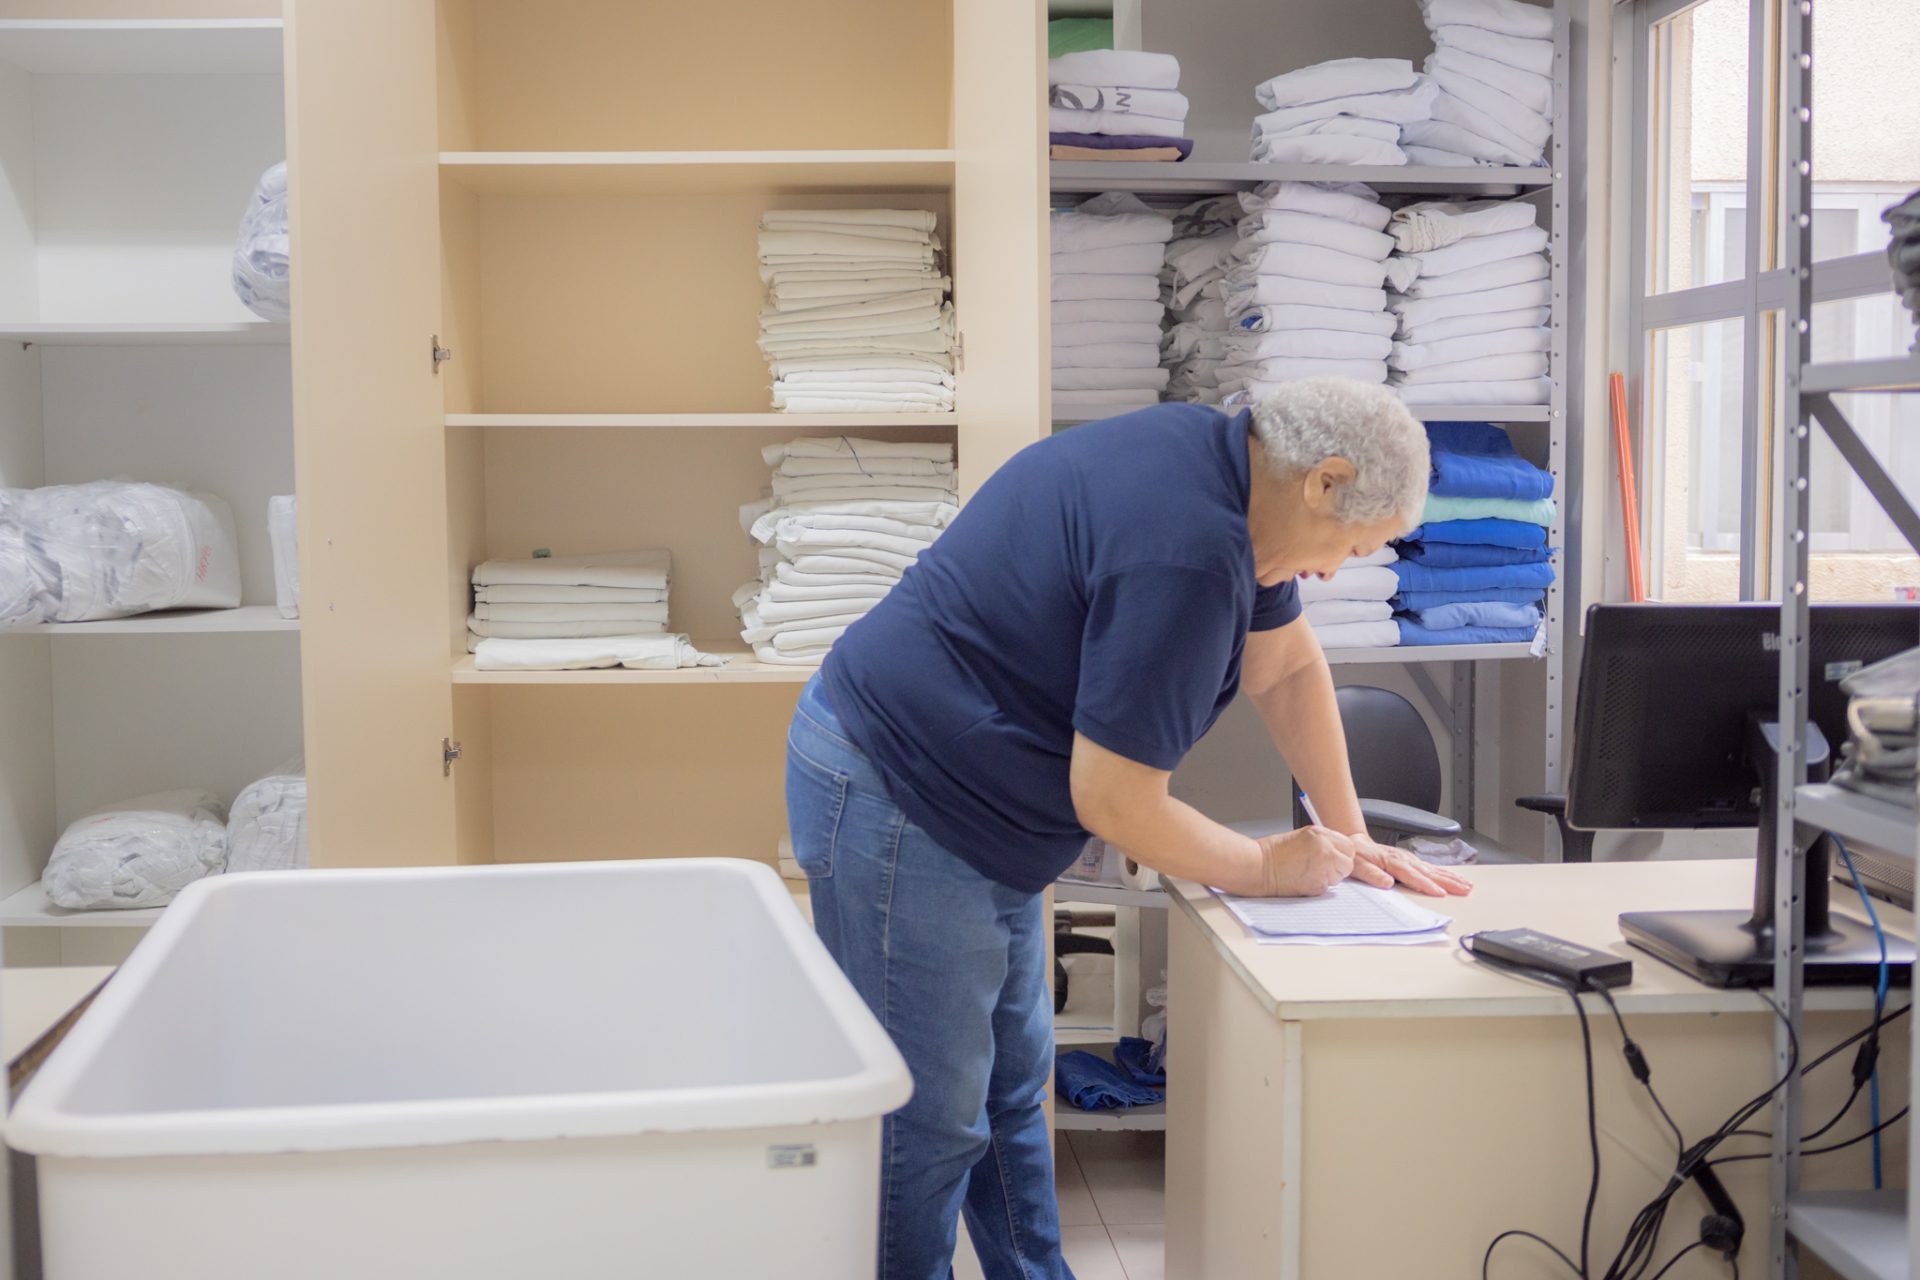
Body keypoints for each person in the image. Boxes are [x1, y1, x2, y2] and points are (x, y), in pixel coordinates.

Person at [786, 379, 1472, 1280]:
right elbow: (1116, 804)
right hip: (901, 790)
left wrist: (1352, 835)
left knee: (1010, 1091)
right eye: (1352, 545)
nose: (1338, 570)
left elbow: (1286, 668)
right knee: (931, 1119)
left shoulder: (1233, 477)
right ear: (1325, 482)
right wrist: (1267, 865)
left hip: (979, 799)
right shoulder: (1188, 551)